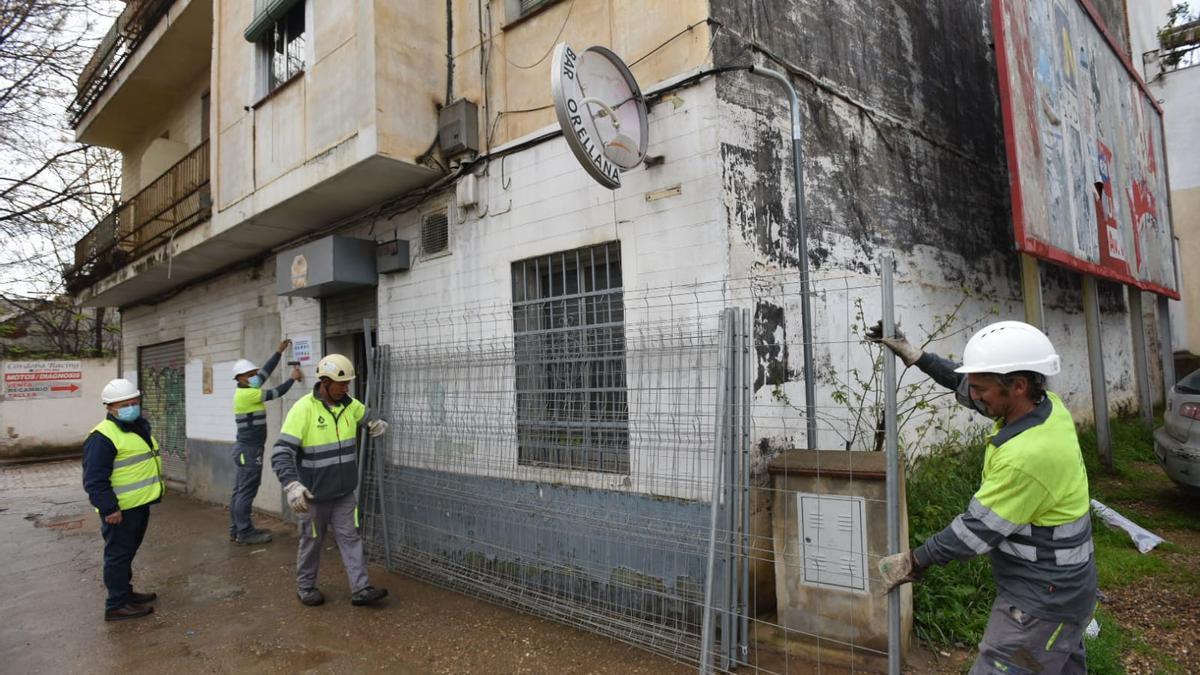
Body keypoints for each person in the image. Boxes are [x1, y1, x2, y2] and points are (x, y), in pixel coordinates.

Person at [873, 320, 1096, 675]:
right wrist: (918, 357)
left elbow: (974, 532)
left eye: (982, 389)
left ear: (1018, 386)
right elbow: (964, 384)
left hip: (1040, 603)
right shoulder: (1046, 407)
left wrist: (914, 561)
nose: (973, 395)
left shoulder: (1028, 456)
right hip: (1068, 591)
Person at [271, 353, 390, 607]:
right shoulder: (303, 409)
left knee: (350, 538)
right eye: (341, 383)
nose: (345, 388)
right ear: (324, 382)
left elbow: (368, 416)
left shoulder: (350, 404)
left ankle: (361, 588)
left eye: (348, 383)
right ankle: (305, 587)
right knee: (312, 542)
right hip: (313, 495)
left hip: (344, 492)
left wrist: (377, 422)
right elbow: (281, 452)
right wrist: (291, 485)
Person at [82, 378, 165, 622]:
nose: (131, 406)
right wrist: (109, 508)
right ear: (110, 408)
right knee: (117, 555)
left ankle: (125, 593)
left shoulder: (138, 426)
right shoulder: (102, 437)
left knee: (127, 553)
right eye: (124, 404)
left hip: (138, 505)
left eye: (134, 401)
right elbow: (94, 480)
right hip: (120, 510)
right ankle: (116, 604)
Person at [229, 339, 303, 545]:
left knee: (239, 490)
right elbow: (276, 393)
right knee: (246, 491)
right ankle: (244, 532)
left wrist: (278, 352)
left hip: (246, 449)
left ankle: (237, 529)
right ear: (240, 378)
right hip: (249, 451)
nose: (254, 377)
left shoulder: (247, 388)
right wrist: (292, 379)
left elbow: (265, 373)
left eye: (254, 374)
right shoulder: (247, 394)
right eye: (250, 375)